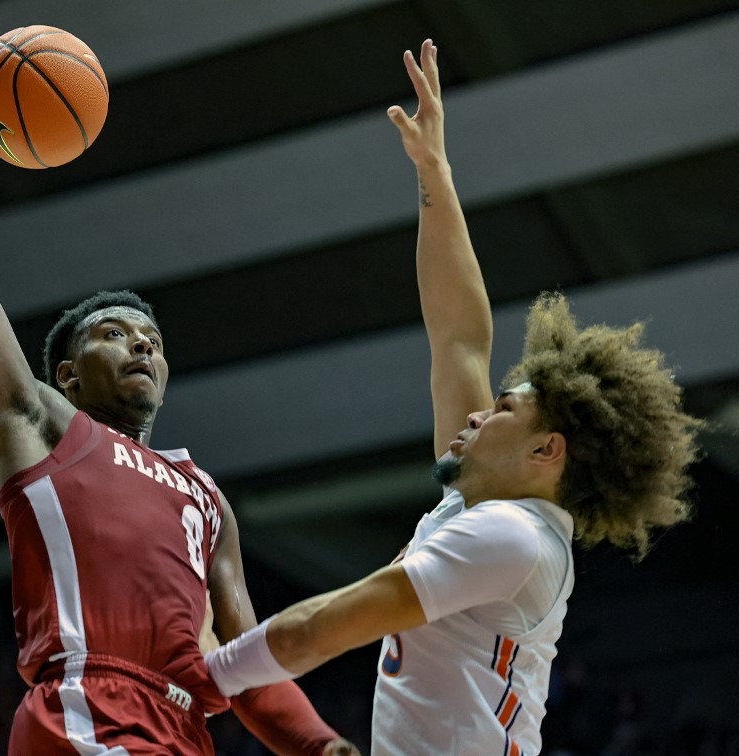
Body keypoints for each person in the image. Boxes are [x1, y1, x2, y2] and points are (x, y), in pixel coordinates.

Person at [203, 39, 704, 755]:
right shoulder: (488, 510)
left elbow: (319, 630)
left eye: (502, 408)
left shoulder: (511, 538)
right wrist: (434, 172)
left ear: (545, 449)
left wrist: (197, 681)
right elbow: (460, 337)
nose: (477, 412)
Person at [0, 42, 358, 756]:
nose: (142, 346)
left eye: (151, 338)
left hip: (184, 731)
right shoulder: (40, 424)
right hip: (87, 708)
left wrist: (319, 744)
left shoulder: (207, 497)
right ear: (66, 375)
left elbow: (246, 660)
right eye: (115, 334)